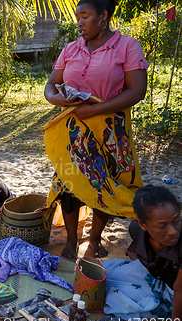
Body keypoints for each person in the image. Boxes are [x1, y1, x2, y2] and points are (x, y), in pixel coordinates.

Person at [43, 0, 148, 258]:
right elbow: (51, 85)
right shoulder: (70, 49)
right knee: (69, 183)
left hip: (111, 132)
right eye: (77, 17)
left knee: (106, 184)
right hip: (74, 131)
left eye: (85, 16)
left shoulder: (127, 46)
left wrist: (95, 110)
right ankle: (71, 240)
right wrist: (58, 99)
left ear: (103, 16)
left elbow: (137, 90)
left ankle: (94, 240)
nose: (78, 22)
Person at [103, 185, 182, 321]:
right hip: (160, 277)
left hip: (177, 289)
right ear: (142, 225)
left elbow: (179, 289)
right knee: (107, 272)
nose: (173, 231)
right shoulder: (137, 230)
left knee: (132, 304)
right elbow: (137, 253)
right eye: (163, 226)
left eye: (177, 220)